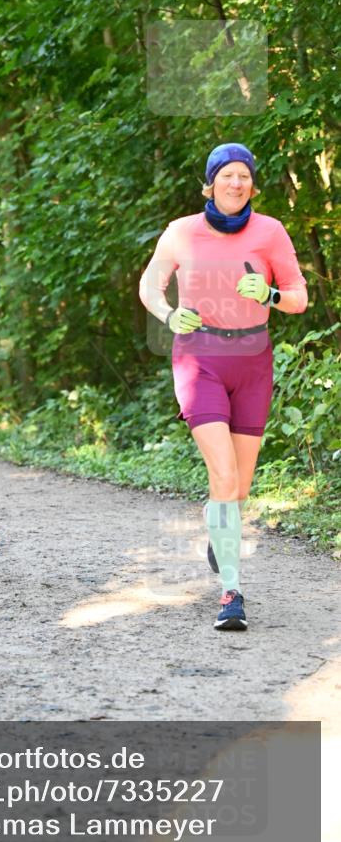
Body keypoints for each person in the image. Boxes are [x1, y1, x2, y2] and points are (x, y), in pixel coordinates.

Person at [139, 143, 307, 631]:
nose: (236, 183)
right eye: (227, 175)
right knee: (224, 475)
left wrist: (270, 294)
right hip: (200, 358)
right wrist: (170, 314)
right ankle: (230, 592)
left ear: (253, 185)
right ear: (210, 184)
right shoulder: (181, 232)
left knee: (239, 485)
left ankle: (220, 525)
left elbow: (298, 296)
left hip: (253, 361)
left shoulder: (270, 231)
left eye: (244, 176)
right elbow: (150, 285)